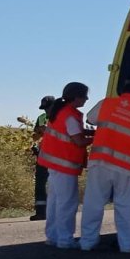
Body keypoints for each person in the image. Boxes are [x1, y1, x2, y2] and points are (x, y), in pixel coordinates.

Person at [80, 79, 130, 253]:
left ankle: (87, 242)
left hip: (100, 162)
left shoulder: (106, 104)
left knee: (93, 202)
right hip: (127, 168)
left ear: (122, 91)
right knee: (126, 206)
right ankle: (128, 245)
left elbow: (90, 119)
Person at [37, 83, 92, 249]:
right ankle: (65, 240)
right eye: (84, 96)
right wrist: (100, 138)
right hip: (65, 165)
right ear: (76, 97)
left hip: (54, 164)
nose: (87, 99)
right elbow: (79, 141)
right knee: (67, 204)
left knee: (55, 202)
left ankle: (53, 236)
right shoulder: (70, 116)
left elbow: (74, 133)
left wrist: (92, 133)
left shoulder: (61, 111)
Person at [29, 95, 55, 220]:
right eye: (44, 109)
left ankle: (55, 211)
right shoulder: (41, 118)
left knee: (56, 183)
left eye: (48, 108)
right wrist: (34, 144)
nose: (46, 111)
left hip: (57, 154)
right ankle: (40, 212)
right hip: (43, 153)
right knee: (40, 182)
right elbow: (36, 135)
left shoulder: (60, 117)